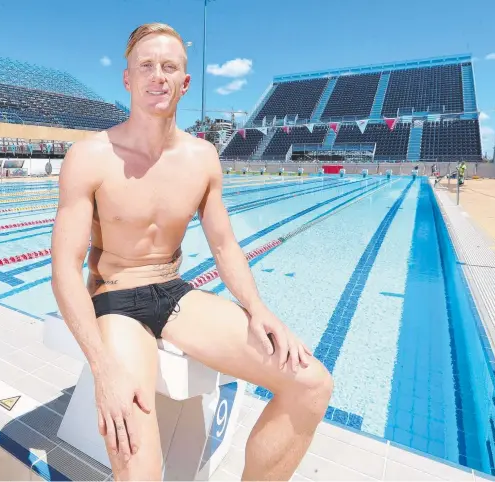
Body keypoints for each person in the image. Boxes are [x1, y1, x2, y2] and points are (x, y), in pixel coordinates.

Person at [50, 22, 333, 481]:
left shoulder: (202, 157)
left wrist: (256, 307)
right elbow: (64, 267)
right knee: (136, 457)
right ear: (128, 79)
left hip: (173, 291)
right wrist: (103, 369)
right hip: (115, 303)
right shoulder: (90, 156)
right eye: (146, 65)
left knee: (311, 384)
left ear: (185, 82)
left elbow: (224, 245)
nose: (157, 75)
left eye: (169, 66)